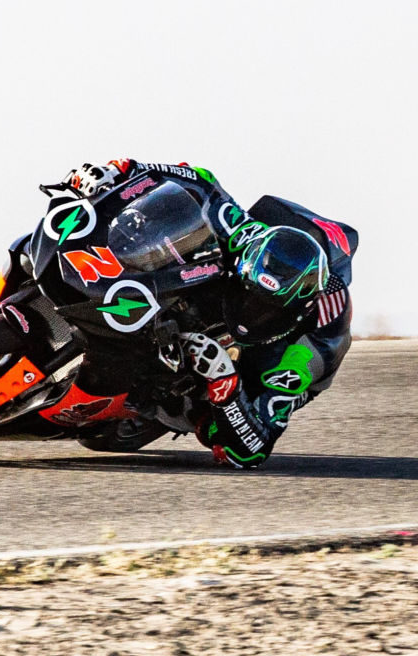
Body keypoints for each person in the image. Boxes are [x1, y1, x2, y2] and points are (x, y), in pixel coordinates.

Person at [63, 159, 357, 468]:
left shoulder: (304, 356)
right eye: (247, 294)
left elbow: (253, 449)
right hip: (228, 284)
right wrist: (123, 169)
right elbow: (201, 181)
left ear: (295, 310)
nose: (249, 310)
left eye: (263, 309)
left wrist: (224, 381)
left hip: (256, 370)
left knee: (215, 434)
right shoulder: (246, 239)